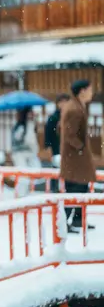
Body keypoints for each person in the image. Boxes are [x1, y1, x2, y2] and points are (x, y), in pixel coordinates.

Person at [60, 80, 96, 233]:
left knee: (81, 189)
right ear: (82, 91)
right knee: (75, 191)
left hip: (75, 158)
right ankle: (64, 222)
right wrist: (80, 147)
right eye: (90, 90)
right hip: (75, 159)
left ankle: (77, 219)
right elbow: (70, 134)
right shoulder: (74, 108)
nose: (91, 93)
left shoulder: (75, 106)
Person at [43, 94, 71, 191]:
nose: (63, 104)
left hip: (68, 148)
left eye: (65, 102)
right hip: (56, 147)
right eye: (61, 102)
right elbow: (48, 133)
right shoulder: (54, 117)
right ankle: (54, 189)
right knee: (55, 170)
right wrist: (48, 147)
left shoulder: (70, 116)